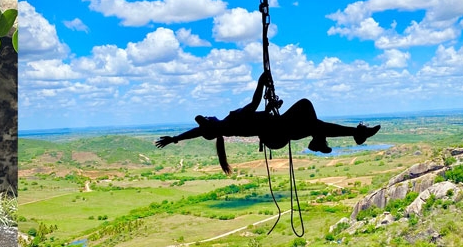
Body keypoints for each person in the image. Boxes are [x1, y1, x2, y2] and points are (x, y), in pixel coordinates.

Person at [155, 71, 380, 173]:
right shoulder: (232, 119)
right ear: (211, 125)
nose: (209, 116)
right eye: (207, 118)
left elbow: (199, 130)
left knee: (315, 123)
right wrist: (261, 82)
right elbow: (253, 105)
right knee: (305, 105)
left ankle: (353, 134)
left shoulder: (225, 126)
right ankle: (322, 140)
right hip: (275, 133)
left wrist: (176, 138)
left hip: (275, 132)